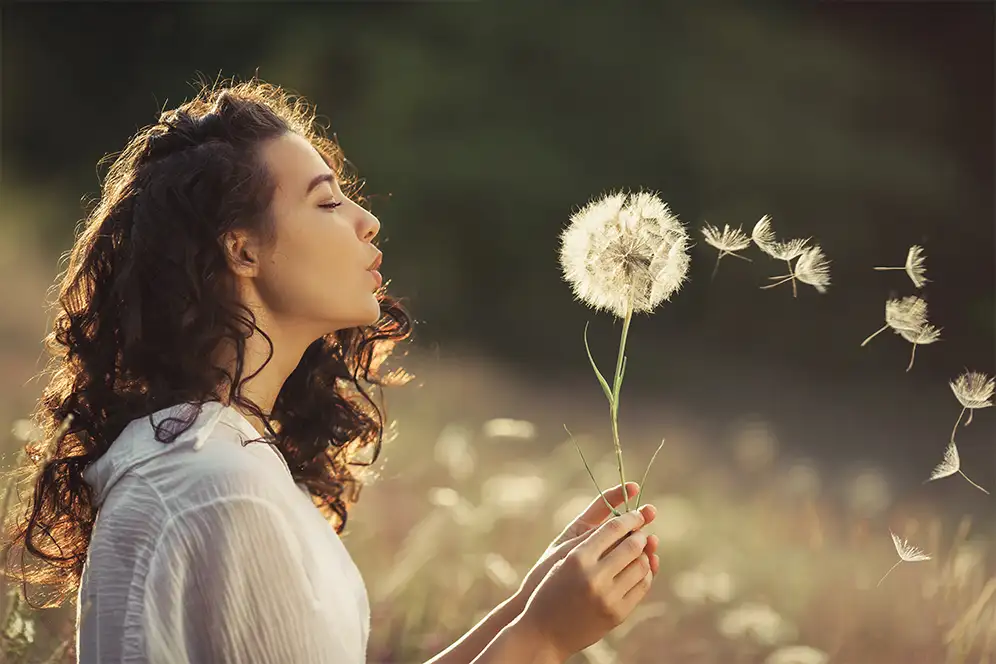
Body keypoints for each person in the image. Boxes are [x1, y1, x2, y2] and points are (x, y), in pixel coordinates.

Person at [1, 77, 661, 664]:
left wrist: (523, 609)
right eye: (326, 203)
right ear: (242, 249)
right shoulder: (224, 490)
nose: (368, 221)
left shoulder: (205, 455)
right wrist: (542, 641)